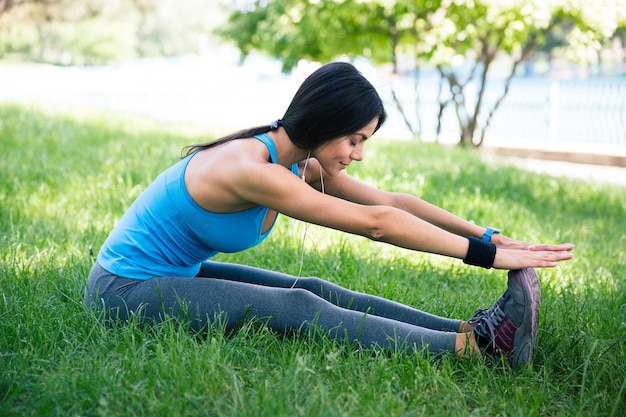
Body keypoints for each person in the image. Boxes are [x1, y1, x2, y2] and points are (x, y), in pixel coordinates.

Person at [85, 62, 574, 370]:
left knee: (315, 288)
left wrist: (486, 235)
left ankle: (470, 330)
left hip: (171, 273)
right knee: (298, 309)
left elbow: (390, 202)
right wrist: (487, 257)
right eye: (355, 139)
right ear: (325, 124)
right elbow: (376, 224)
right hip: (124, 291)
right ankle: (480, 352)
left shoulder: (295, 159)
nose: (358, 153)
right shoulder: (253, 169)